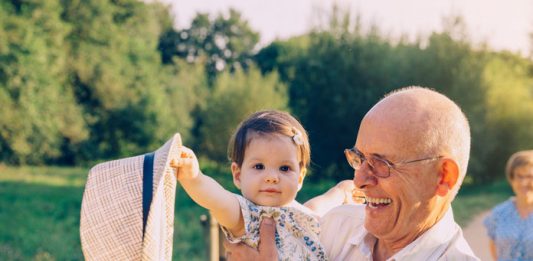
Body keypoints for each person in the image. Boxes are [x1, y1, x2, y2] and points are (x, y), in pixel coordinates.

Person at [224, 86, 479, 260]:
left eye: (382, 164)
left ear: (443, 176)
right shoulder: (335, 226)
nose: (359, 180)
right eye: (359, 158)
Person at [172, 110, 354, 260]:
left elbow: (323, 203)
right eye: (259, 166)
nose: (272, 177)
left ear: (299, 178)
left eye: (284, 168)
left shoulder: (305, 215)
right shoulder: (246, 216)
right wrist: (194, 177)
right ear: (238, 174)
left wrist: (342, 190)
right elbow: (216, 199)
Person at [484, 150, 533, 260]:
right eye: (520, 176)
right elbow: (493, 247)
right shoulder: (498, 214)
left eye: (530, 176)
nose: (524, 182)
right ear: (512, 179)